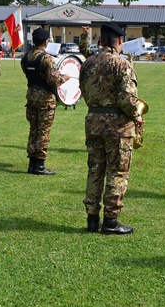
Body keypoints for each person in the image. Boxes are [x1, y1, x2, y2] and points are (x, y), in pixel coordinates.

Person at [80, 22, 141, 235]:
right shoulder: (122, 65)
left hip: (94, 121)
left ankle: (92, 218)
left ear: (102, 40)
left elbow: (84, 92)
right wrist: (137, 115)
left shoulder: (87, 63)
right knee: (117, 171)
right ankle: (111, 221)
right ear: (120, 41)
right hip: (118, 127)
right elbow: (127, 98)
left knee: (95, 169)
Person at [21, 27, 68, 175]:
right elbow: (54, 81)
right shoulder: (47, 58)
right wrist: (64, 78)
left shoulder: (26, 57)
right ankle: (40, 165)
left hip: (31, 96)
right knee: (43, 132)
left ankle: (32, 164)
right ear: (46, 41)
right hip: (45, 99)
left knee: (33, 130)